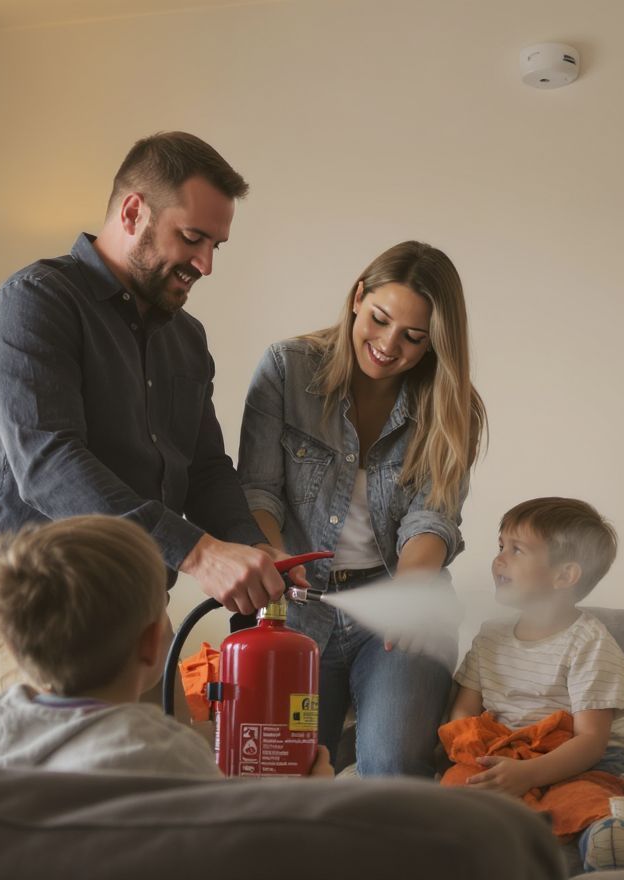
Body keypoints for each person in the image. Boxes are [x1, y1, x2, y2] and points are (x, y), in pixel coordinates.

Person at [0, 132, 290, 694]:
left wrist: (252, 546)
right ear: (134, 211)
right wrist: (198, 552)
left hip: (139, 616)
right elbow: (50, 465)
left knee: (172, 776)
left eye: (217, 245)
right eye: (192, 238)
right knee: (89, 777)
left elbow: (207, 468)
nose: (206, 264)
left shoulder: (187, 340)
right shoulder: (33, 303)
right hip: (38, 612)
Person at [237, 241, 486, 777]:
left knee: (393, 765)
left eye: (413, 338)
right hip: (297, 606)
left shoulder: (451, 405)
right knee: (285, 773)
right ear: (357, 297)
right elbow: (257, 493)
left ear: (434, 344)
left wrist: (409, 593)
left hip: (400, 606)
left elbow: (433, 517)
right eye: (379, 319)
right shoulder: (286, 369)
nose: (388, 345)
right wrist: (277, 567)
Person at [0, 514, 334, 778]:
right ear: (151, 643)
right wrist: (311, 798)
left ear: (16, 649)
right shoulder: (170, 753)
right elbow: (225, 844)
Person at [441, 497, 624, 871]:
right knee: (458, 786)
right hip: (506, 751)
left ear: (564, 576)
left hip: (582, 761)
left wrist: (529, 775)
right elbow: (464, 708)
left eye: (517, 549)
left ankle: (608, 838)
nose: (499, 560)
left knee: (582, 798)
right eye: (500, 546)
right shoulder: (491, 635)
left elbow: (591, 741)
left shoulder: (590, 643)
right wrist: (477, 753)